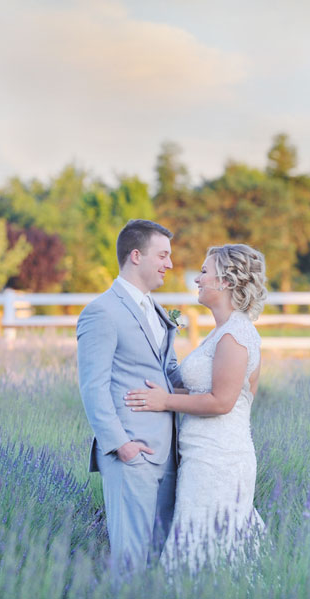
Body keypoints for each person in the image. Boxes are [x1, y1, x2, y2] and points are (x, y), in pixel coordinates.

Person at [125, 243, 267, 571]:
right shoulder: (221, 333)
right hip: (203, 456)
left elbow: (221, 401)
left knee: (206, 547)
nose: (198, 280)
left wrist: (164, 401)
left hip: (220, 460)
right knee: (200, 545)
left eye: (204, 272)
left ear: (227, 281)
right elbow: (199, 388)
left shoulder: (236, 336)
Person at [76, 219, 183, 570]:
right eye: (163, 255)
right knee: (131, 563)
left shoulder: (158, 310)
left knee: (160, 562)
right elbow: (93, 386)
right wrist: (121, 445)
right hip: (131, 454)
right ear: (136, 256)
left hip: (168, 455)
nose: (169, 264)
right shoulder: (101, 312)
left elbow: (168, 372)